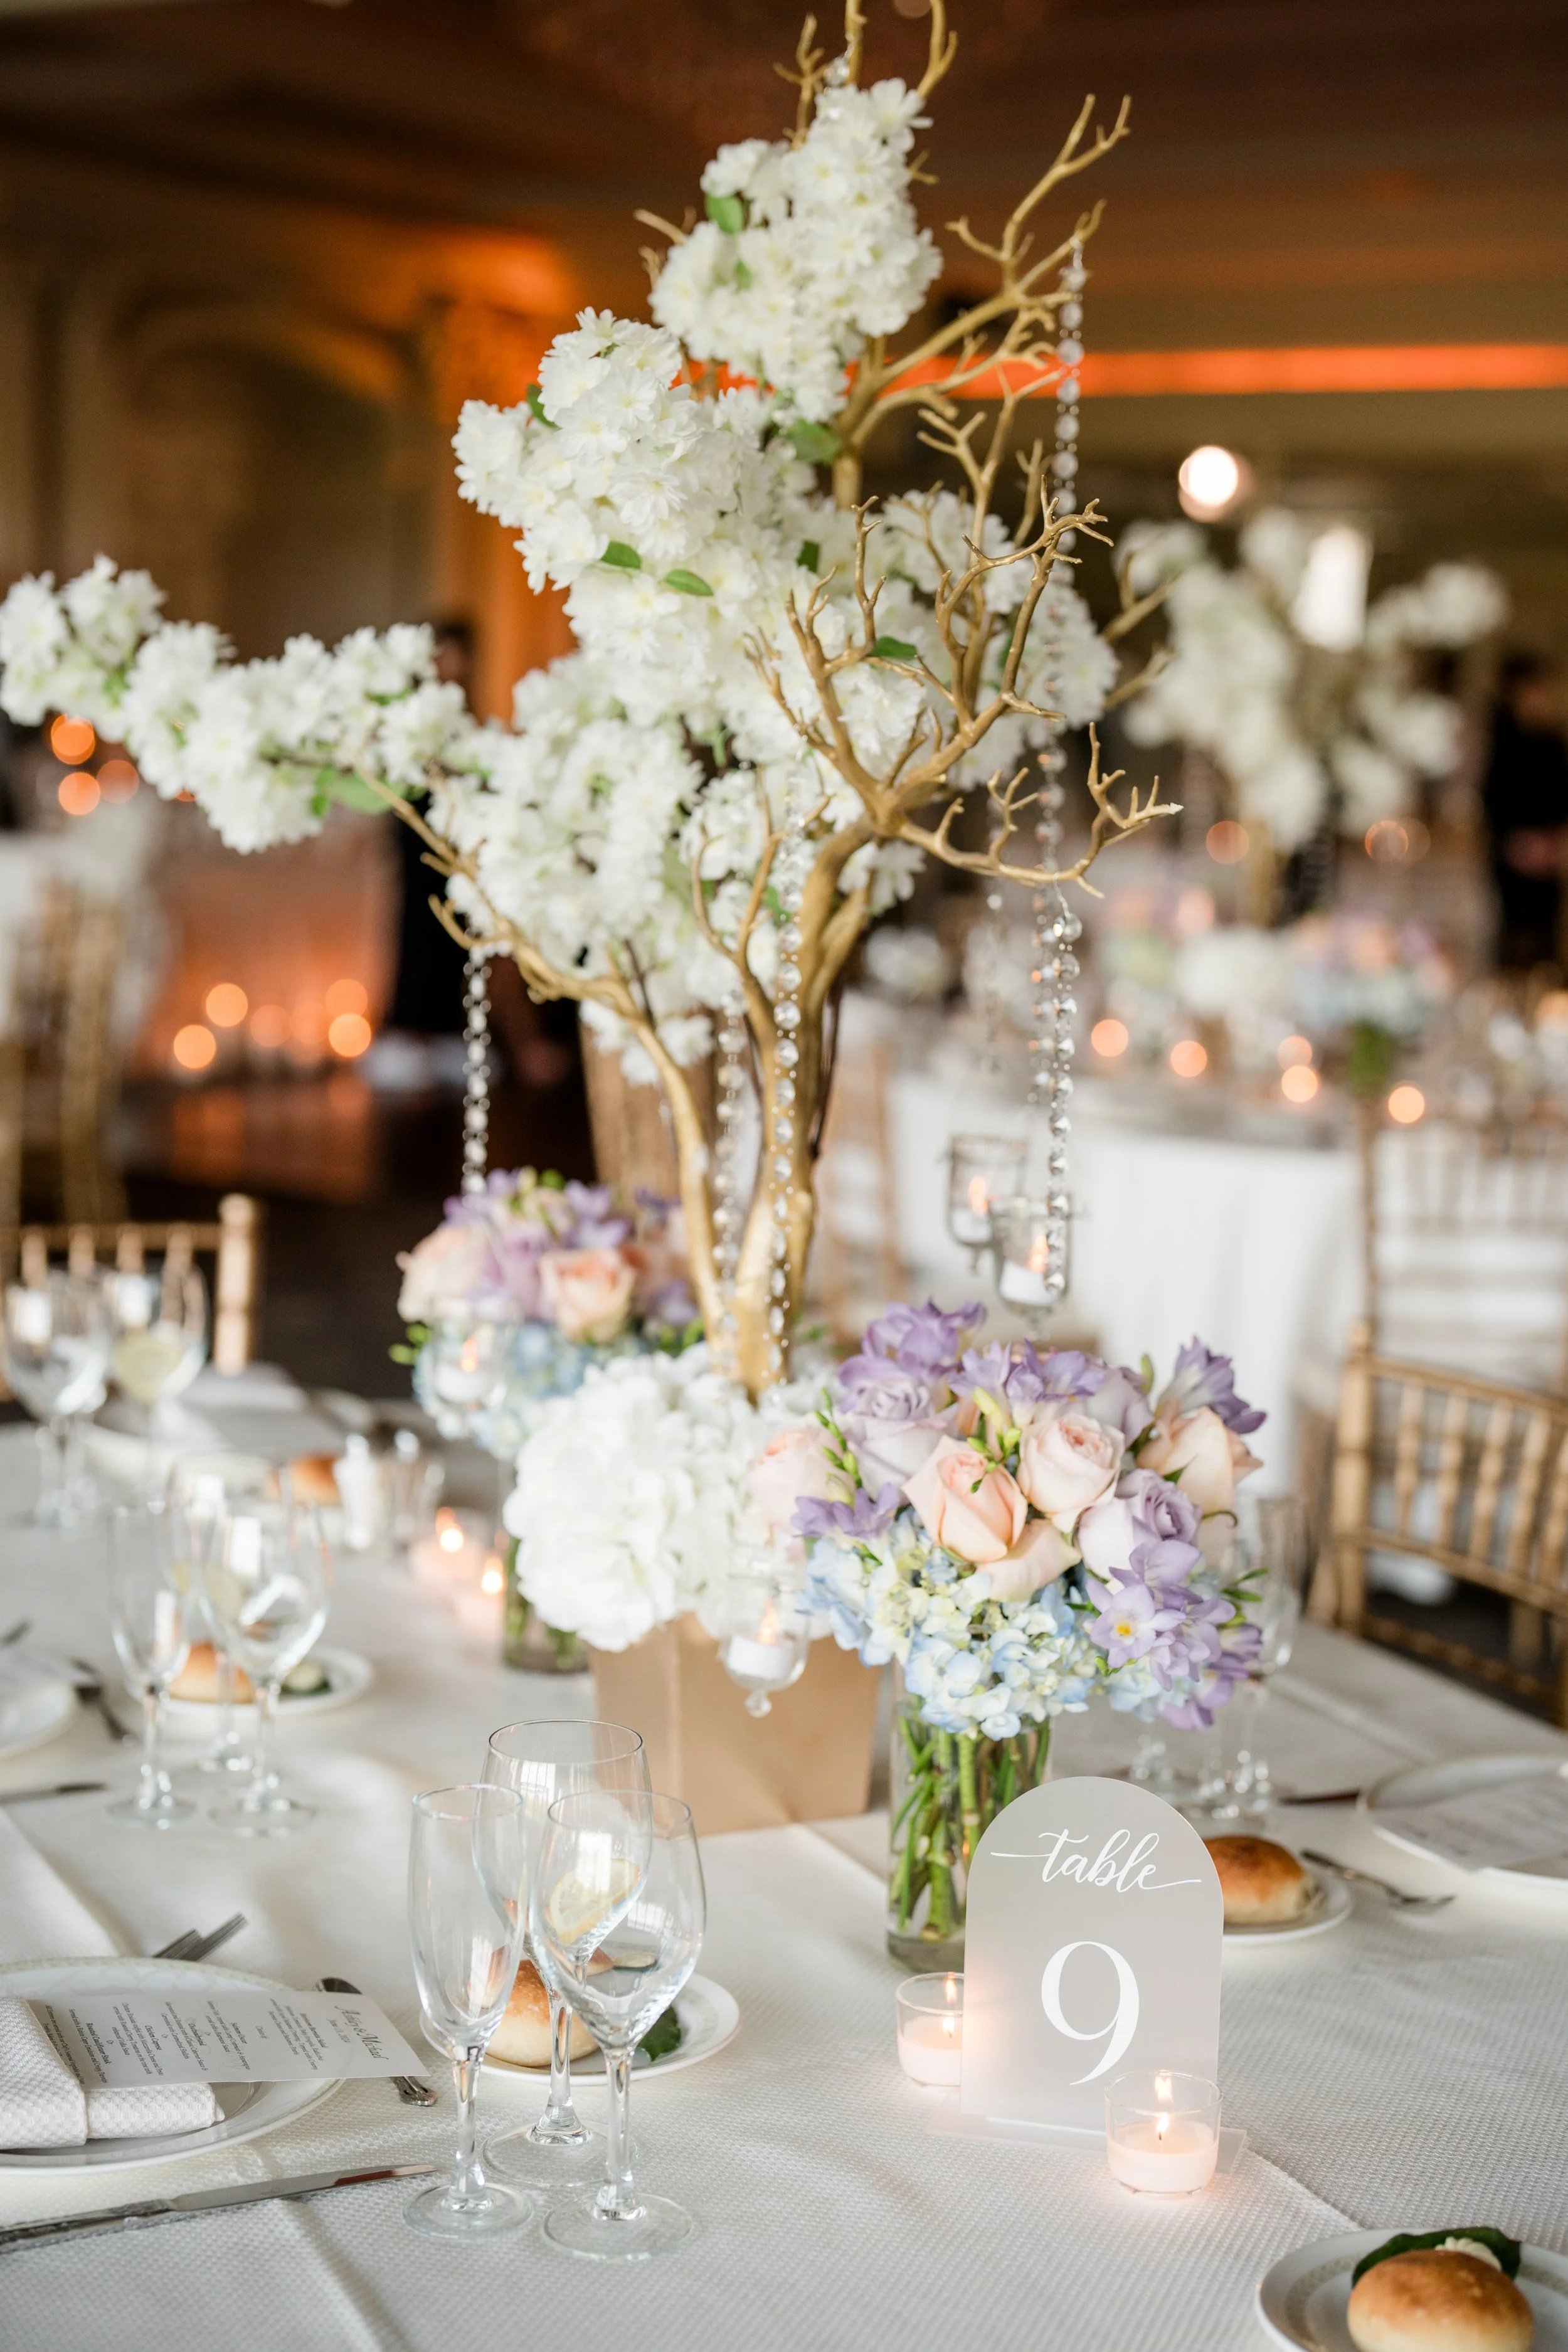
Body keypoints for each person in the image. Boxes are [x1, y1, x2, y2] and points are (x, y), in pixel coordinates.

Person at [1482, 652, 1568, 971]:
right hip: (1510, 855)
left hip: (1550, 857)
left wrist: (1555, 843)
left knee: (1546, 944)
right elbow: (1493, 800)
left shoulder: (1554, 743)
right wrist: (1518, 843)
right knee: (1512, 940)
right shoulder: (1501, 741)